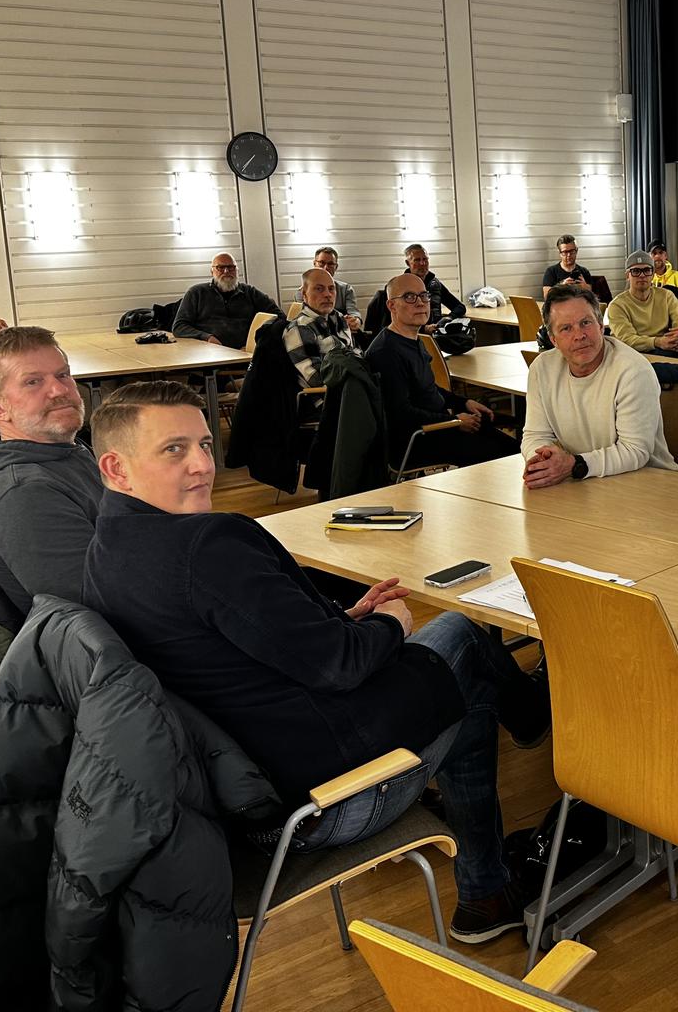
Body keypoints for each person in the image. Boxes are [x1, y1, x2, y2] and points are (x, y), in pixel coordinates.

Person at [82, 381, 549, 944]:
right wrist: (388, 625)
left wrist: (343, 620)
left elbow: (238, 646)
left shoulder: (106, 551)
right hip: (328, 798)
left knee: (463, 694)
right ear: (116, 467)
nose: (203, 465)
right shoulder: (205, 546)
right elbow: (337, 668)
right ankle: (535, 726)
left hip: (249, 802)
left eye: (205, 444)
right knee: (461, 636)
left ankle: (487, 890)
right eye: (173, 449)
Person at [0, 326, 102, 615]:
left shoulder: (64, 451)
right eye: (33, 382)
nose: (60, 390)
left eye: (63, 374)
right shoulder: (24, 496)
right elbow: (97, 607)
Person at [521, 286, 678, 488]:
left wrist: (574, 465)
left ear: (601, 326)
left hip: (647, 483)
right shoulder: (542, 369)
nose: (579, 335)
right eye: (566, 328)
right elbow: (535, 435)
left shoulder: (633, 370)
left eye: (585, 323)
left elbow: (635, 450)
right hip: (585, 481)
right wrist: (543, 461)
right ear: (553, 340)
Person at [366, 273, 517, 469]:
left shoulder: (413, 339)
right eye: (410, 297)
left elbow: (426, 388)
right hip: (418, 439)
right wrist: (455, 420)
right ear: (392, 306)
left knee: (513, 445)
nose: (420, 303)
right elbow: (401, 414)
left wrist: (463, 402)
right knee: (507, 460)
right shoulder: (385, 352)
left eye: (424, 295)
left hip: (439, 427)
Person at [173, 252, 280, 349]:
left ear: (237, 270)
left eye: (231, 267)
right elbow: (179, 326)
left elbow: (279, 316)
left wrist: (258, 340)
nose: (226, 271)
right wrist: (206, 337)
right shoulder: (196, 292)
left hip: (245, 353)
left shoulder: (250, 292)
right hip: (207, 352)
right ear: (212, 272)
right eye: (220, 267)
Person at [607, 250, 678, 356]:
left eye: (647, 270)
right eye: (635, 271)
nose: (642, 275)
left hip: (667, 348)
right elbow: (627, 339)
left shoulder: (666, 295)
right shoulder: (617, 305)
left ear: (653, 274)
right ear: (627, 276)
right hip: (633, 354)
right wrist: (657, 342)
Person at [364, 244, 467, 334]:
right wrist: (423, 329)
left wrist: (448, 318)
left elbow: (459, 307)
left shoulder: (435, 285)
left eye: (425, 259)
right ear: (408, 263)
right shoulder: (397, 287)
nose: (422, 263)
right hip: (410, 339)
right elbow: (389, 324)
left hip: (437, 336)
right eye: (417, 260)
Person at [283, 267, 353, 388]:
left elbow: (353, 352)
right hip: (327, 396)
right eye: (319, 289)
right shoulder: (299, 328)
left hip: (353, 386)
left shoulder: (339, 318)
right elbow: (316, 379)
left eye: (331, 289)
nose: (327, 294)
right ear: (304, 294)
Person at [312, 247, 363, 333]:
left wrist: (356, 321)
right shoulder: (302, 292)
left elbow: (353, 312)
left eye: (330, 264)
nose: (325, 268)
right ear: (314, 264)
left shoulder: (346, 289)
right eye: (321, 263)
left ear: (336, 267)